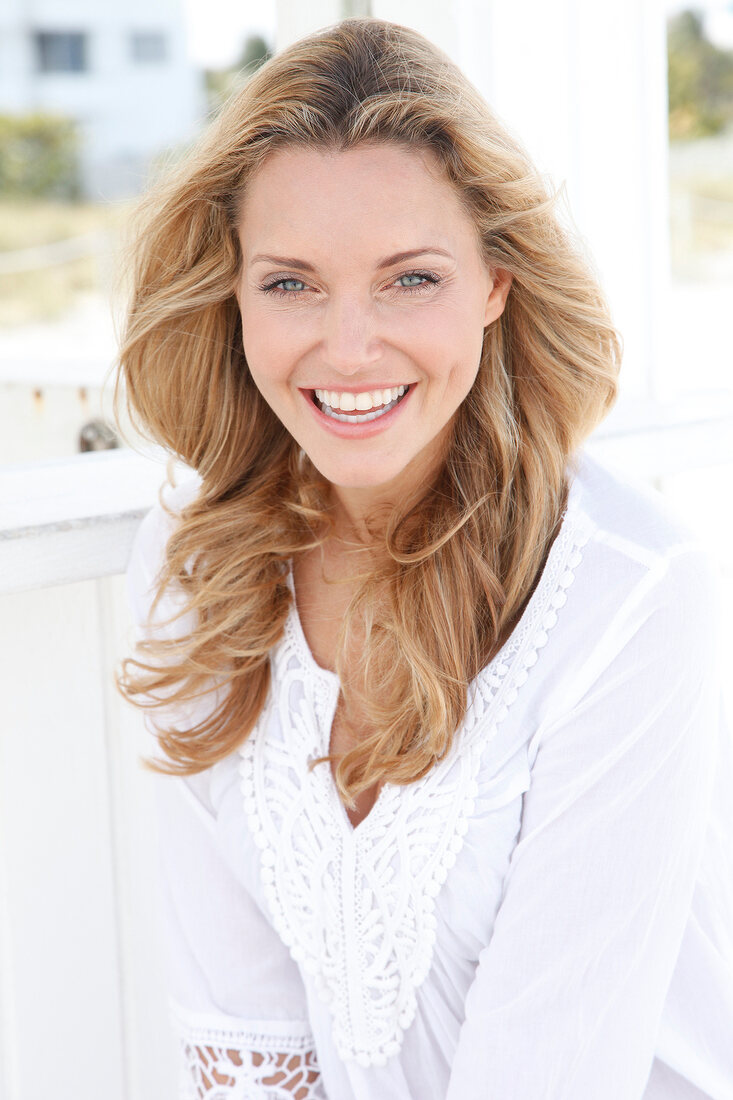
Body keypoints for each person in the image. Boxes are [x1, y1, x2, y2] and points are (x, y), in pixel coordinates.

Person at [118, 17, 733, 1100]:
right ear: (232, 292)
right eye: (290, 283)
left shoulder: (629, 591)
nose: (348, 347)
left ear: (496, 279)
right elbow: (252, 1058)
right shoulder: (190, 578)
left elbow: (547, 1072)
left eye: (409, 279)